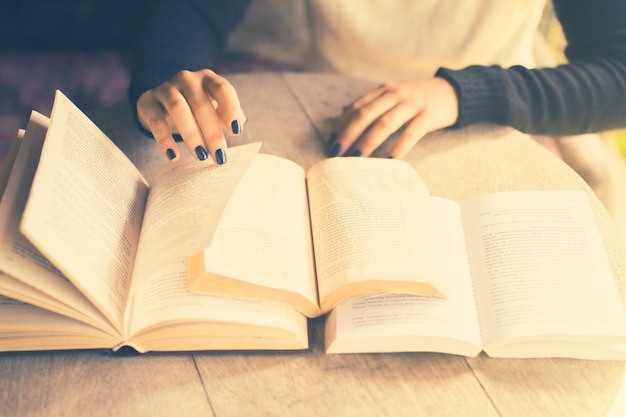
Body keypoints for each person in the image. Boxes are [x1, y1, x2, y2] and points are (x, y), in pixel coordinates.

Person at [128, 0, 626, 169]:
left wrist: (461, 93)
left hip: (493, 114)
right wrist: (168, 73)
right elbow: (195, 7)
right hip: (325, 113)